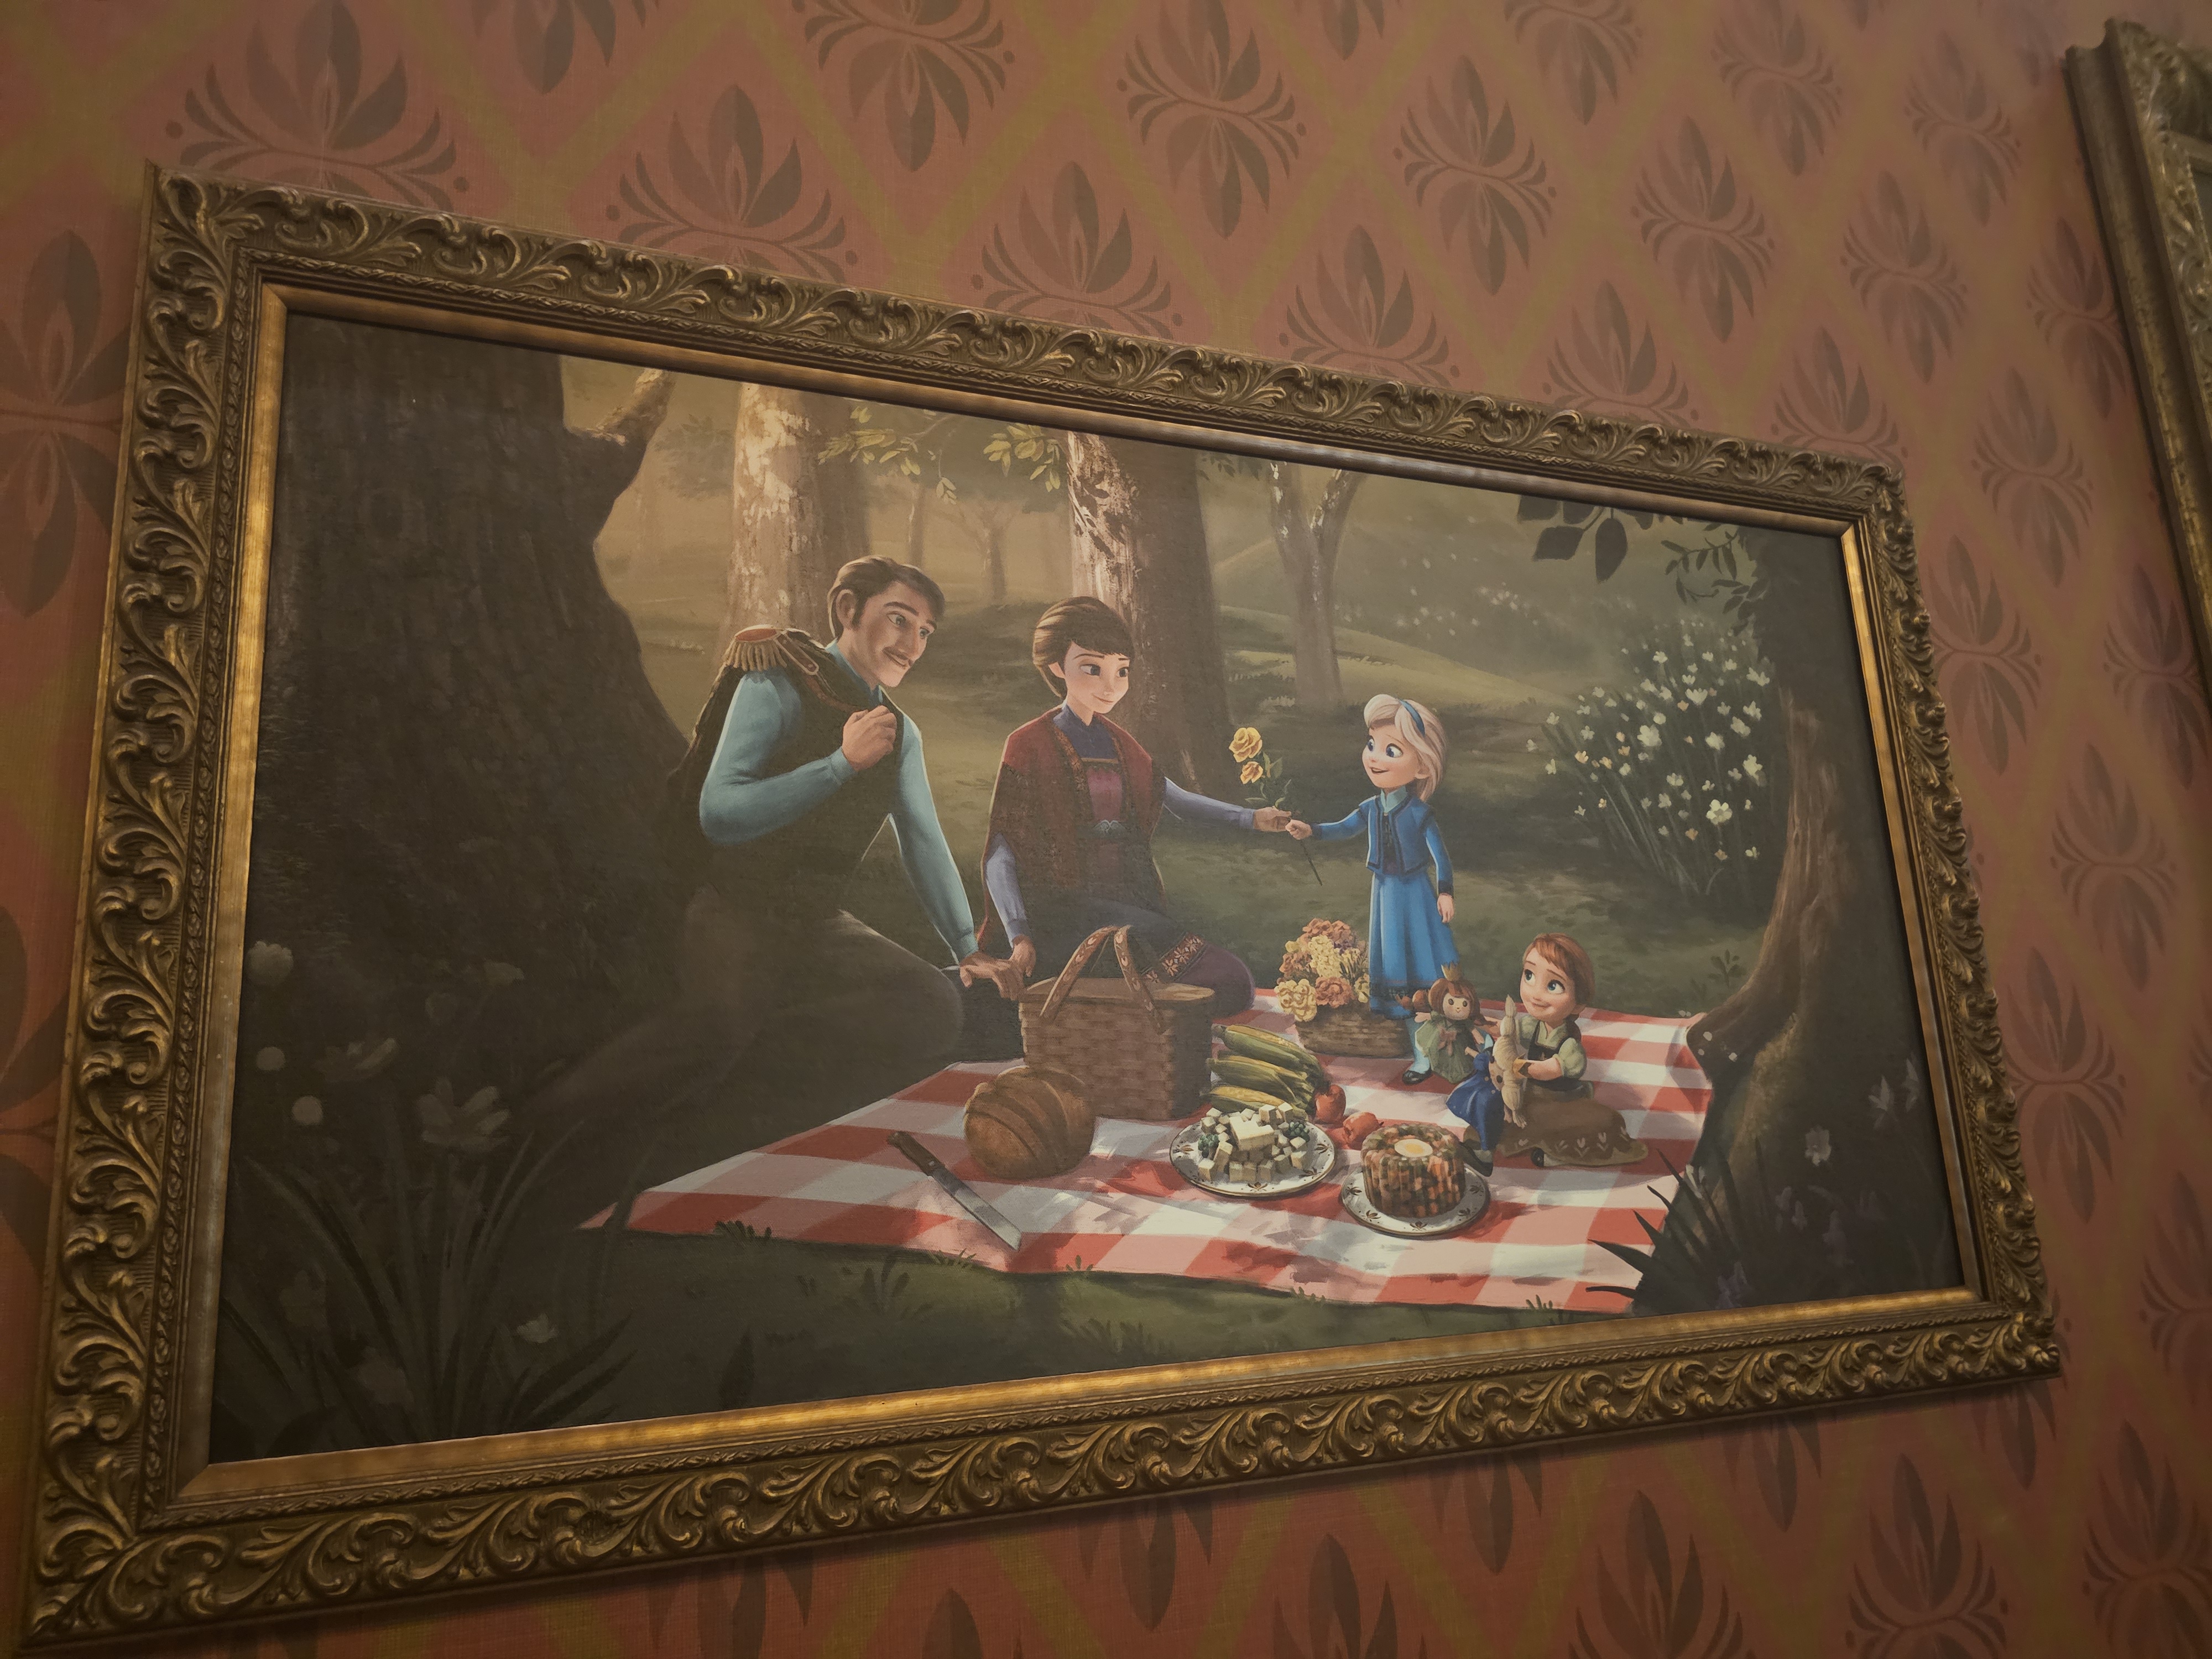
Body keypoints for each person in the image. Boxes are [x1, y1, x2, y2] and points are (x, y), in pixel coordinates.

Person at [531, 557, 1020, 1211]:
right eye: (899, 620)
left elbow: (924, 841)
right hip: (736, 908)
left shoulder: (900, 731)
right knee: (713, 1029)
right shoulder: (777, 680)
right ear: (847, 610)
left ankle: (750, 1096)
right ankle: (535, 1133)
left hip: (818, 924)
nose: (912, 644)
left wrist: (964, 946)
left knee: (930, 1005)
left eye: (925, 632)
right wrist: (839, 765)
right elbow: (720, 813)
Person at [966, 597, 1293, 1052]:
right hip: (1059, 914)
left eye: (1121, 671)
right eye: (1092, 668)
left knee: (1233, 983)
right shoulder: (1029, 743)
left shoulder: (1120, 743)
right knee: (1224, 979)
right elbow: (1002, 851)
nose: (1110, 686)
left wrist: (1252, 819)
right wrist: (1019, 935)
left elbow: (1173, 798)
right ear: (1057, 667)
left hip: (1123, 907)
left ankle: (1107, 1020)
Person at [1287, 694, 1459, 1036]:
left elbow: (1441, 857)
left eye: (1391, 750)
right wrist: (1311, 831)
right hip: (1383, 890)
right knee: (1390, 946)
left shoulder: (1420, 813)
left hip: (1415, 892)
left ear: (1422, 768)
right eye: (1371, 745)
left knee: (1419, 946)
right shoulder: (1370, 808)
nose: (1375, 757)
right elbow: (1343, 828)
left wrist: (1445, 892)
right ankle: (1400, 1017)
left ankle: (1431, 1015)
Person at [1446, 933, 1645, 1176]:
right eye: (1529, 976)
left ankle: (1552, 1155)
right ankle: (1482, 1151)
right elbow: (1506, 1029)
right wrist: (1477, 1019)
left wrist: (1515, 1066)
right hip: (1531, 1094)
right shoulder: (1533, 1025)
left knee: (1589, 1122)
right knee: (1493, 1103)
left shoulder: (1570, 1046)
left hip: (1560, 1101)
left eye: (1553, 986)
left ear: (1578, 1004)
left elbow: (1549, 1069)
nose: (1536, 994)